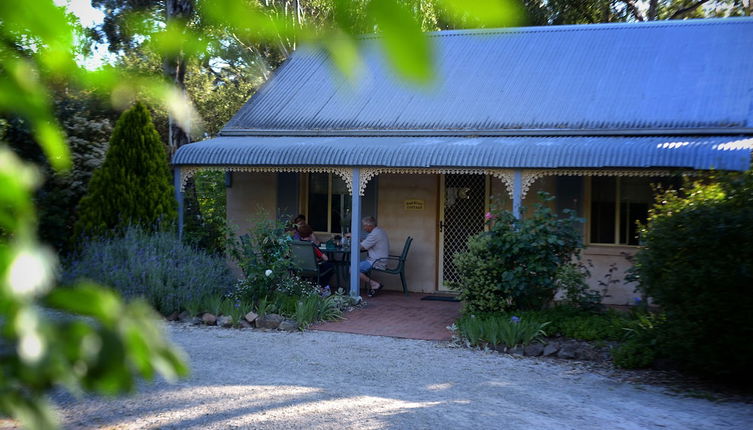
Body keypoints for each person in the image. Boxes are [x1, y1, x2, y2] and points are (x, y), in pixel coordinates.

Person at [347, 216, 389, 297]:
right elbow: (366, 242)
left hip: (376, 261)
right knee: (354, 268)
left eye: (364, 226)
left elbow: (361, 247)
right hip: (379, 259)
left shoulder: (374, 234)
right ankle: (373, 284)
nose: (364, 228)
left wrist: (353, 239)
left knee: (352, 269)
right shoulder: (378, 231)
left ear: (370, 226)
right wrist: (356, 238)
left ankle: (375, 284)